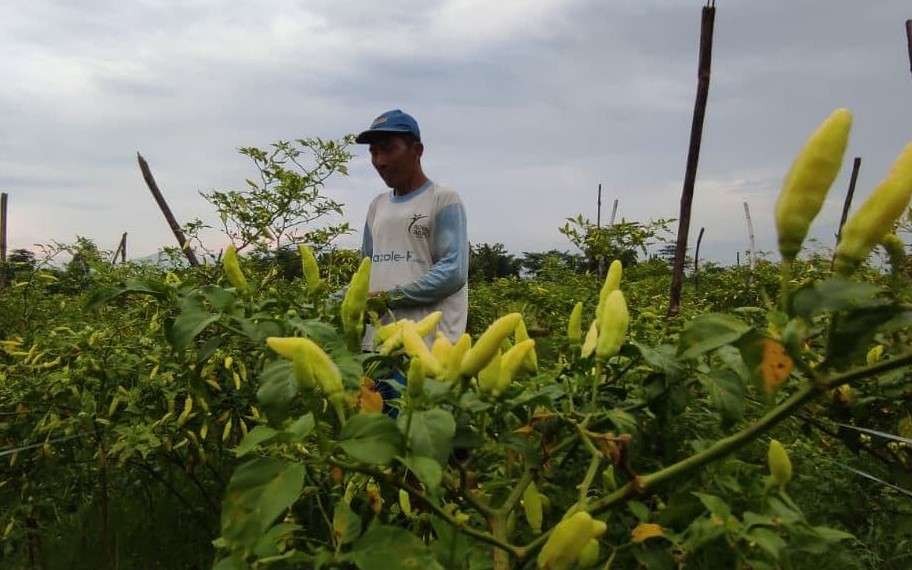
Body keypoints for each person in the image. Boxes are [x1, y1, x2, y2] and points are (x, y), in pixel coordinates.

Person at [355, 109, 469, 346]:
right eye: (374, 152)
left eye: (388, 149)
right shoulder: (377, 206)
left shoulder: (443, 200)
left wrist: (389, 298)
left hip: (428, 348)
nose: (380, 162)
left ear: (417, 150)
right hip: (378, 348)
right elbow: (364, 273)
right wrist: (330, 300)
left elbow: (452, 272)